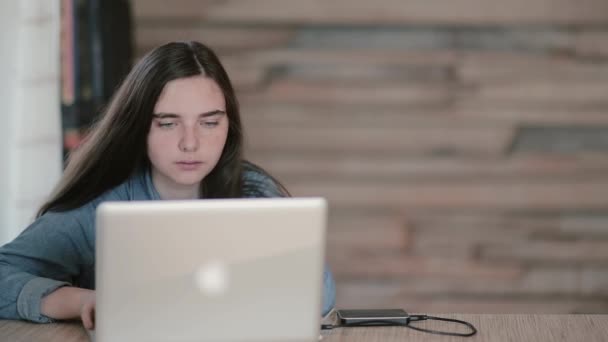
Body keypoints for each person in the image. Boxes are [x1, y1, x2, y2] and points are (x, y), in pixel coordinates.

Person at [0, 41, 336, 329]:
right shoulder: (103, 205)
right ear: (138, 126)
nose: (190, 143)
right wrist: (79, 301)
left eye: (209, 122)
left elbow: (320, 295)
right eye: (167, 123)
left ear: (228, 125)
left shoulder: (253, 191)